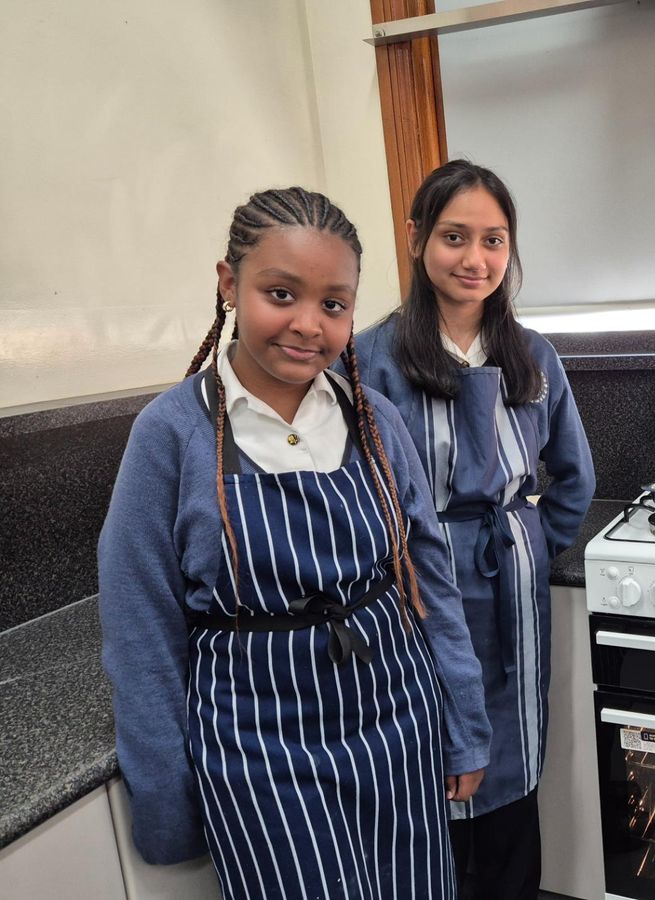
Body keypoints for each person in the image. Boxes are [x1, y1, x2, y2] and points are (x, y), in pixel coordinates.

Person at [99, 187, 491, 899]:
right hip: (258, 748)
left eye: (334, 304)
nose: (308, 324)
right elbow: (140, 629)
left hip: (398, 723)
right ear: (229, 283)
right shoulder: (171, 434)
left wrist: (462, 723)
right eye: (280, 294)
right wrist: (166, 799)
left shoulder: (374, 420)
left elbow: (428, 578)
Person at [352, 159, 596, 899]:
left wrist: (533, 542)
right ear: (416, 238)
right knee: (433, 750)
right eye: (454, 236)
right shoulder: (370, 358)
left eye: (494, 240)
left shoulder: (534, 355)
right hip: (416, 584)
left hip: (513, 577)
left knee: (514, 749)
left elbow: (574, 475)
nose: (475, 259)